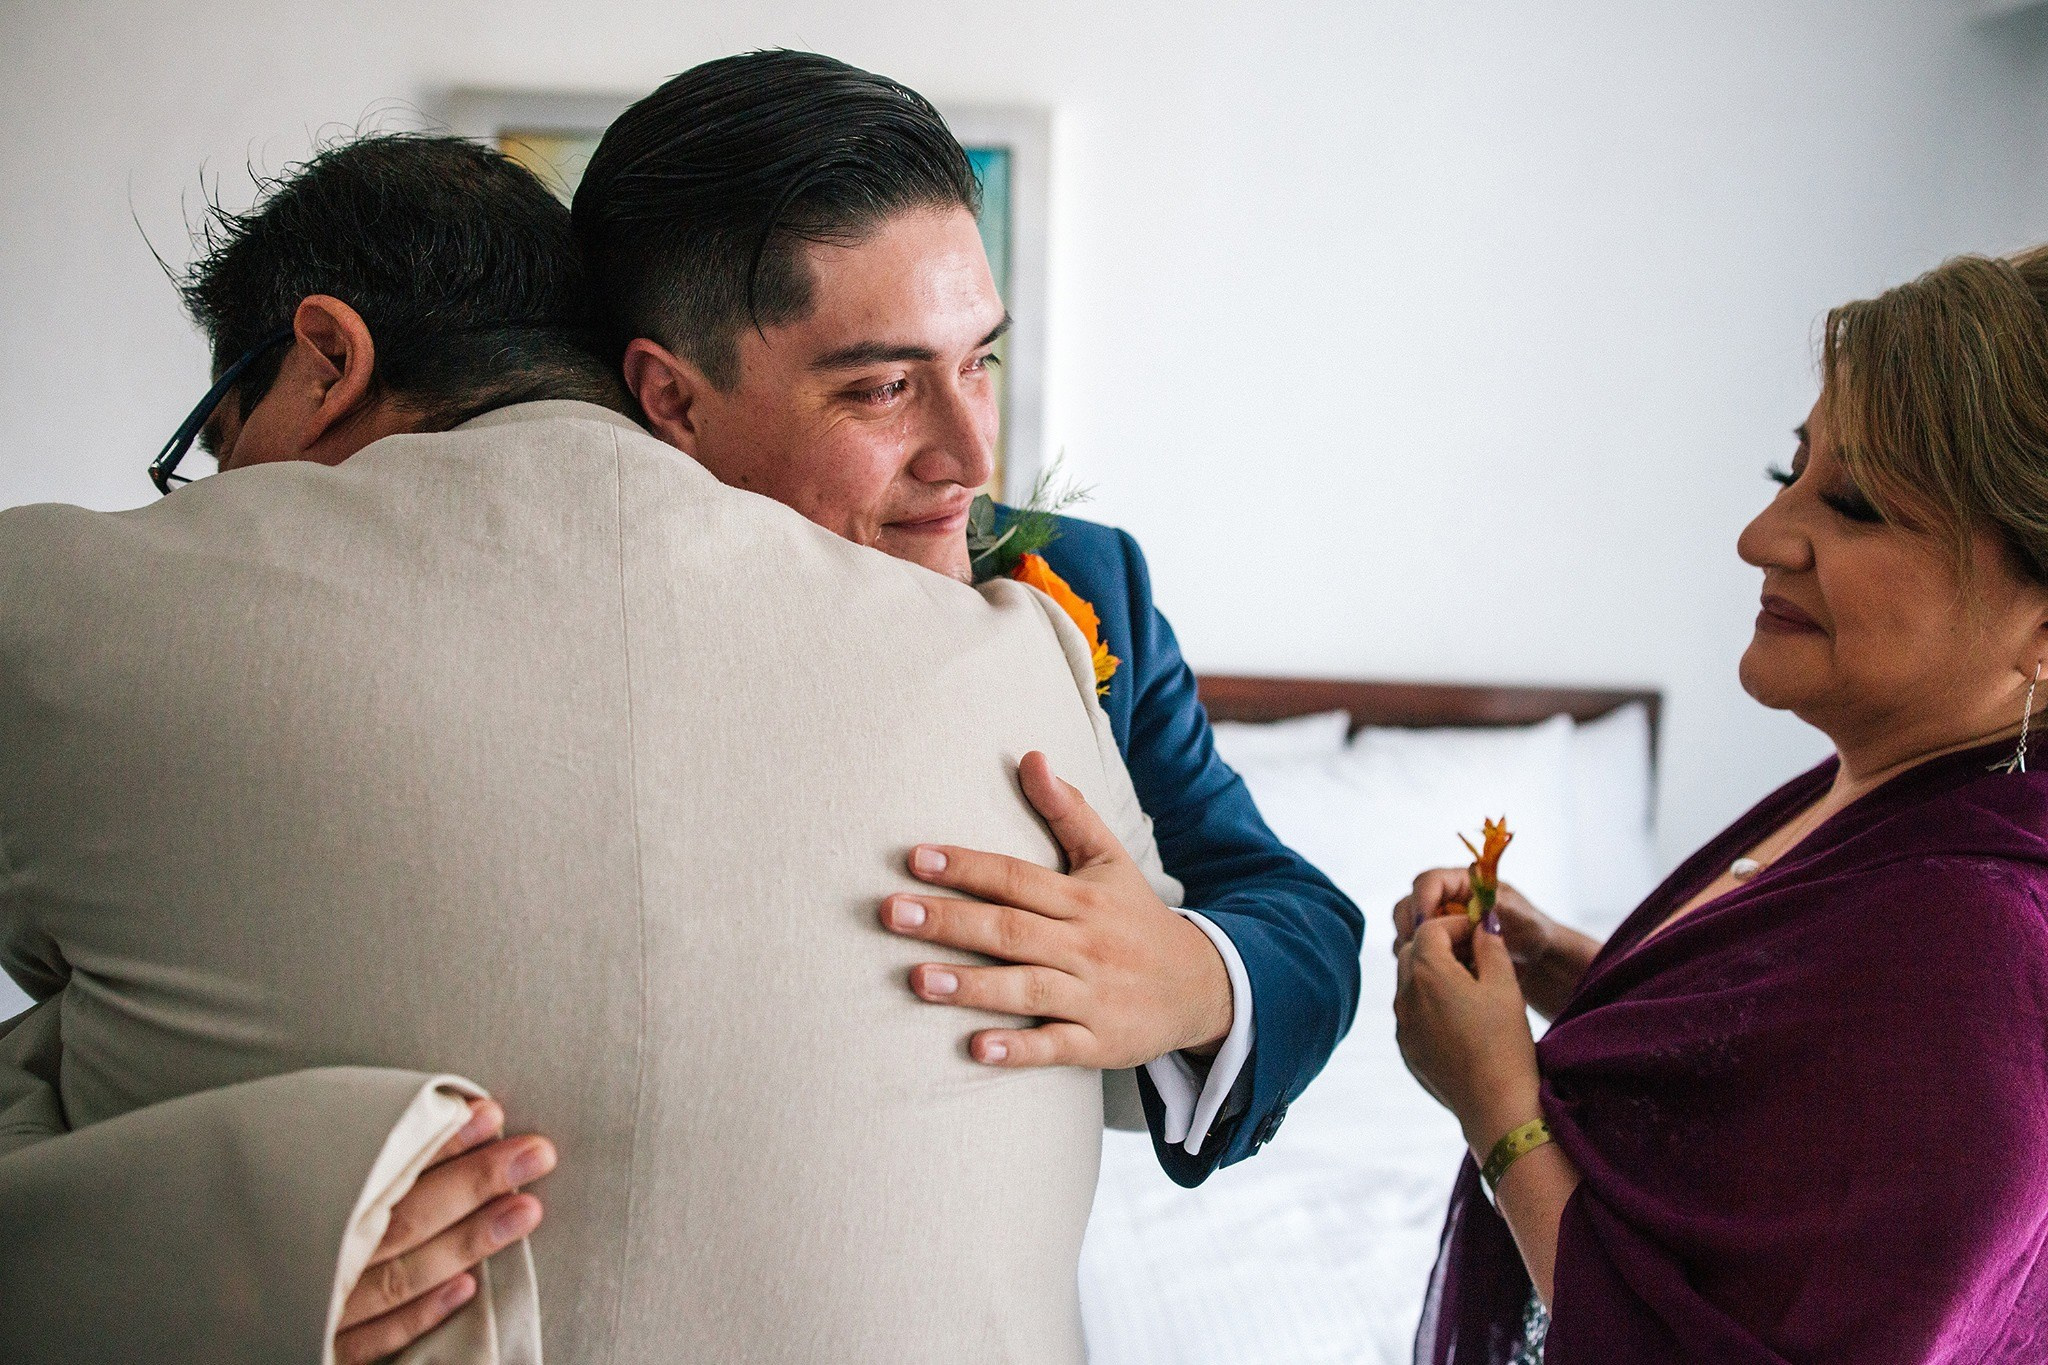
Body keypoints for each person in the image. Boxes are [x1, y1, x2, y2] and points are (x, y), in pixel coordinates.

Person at [0, 132, 1175, 1364]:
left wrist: (129, 1164)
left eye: (217, 434)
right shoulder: (1018, 652)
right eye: (882, 383)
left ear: (326, 359)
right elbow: (1123, 1053)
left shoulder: (60, 603)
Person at [571, 50, 1366, 1183]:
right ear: (671, 400)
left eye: (978, 360)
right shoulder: (567, 622)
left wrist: (1187, 977)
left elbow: (1300, 918)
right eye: (883, 387)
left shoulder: (1085, 586)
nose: (970, 456)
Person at [1391, 248, 2048, 1362]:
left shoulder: (1971, 939)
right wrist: (1578, 973)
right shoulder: (1888, 783)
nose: (1760, 539)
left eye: (1851, 505)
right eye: (1784, 473)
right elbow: (1800, 1083)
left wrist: (1495, 1106)